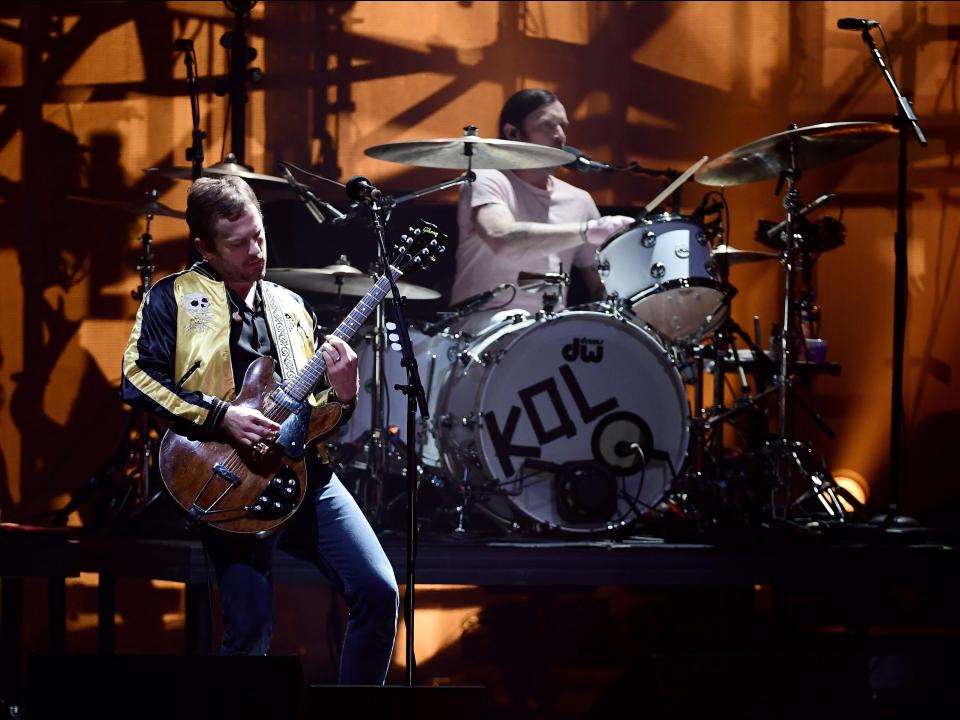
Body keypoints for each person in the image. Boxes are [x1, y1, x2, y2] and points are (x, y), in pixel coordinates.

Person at [120, 175, 398, 683]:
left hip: (304, 473)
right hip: (226, 477)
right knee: (249, 629)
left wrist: (344, 391)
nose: (255, 251)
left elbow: (316, 414)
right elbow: (137, 378)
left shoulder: (289, 305)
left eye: (260, 236)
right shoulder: (172, 298)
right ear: (204, 246)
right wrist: (220, 415)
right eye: (238, 243)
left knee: (380, 592)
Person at [451, 88, 635, 326]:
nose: (560, 136)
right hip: (480, 330)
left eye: (563, 126)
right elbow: (500, 236)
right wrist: (586, 231)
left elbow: (600, 284)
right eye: (548, 126)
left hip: (551, 334)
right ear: (513, 133)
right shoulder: (486, 178)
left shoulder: (579, 200)